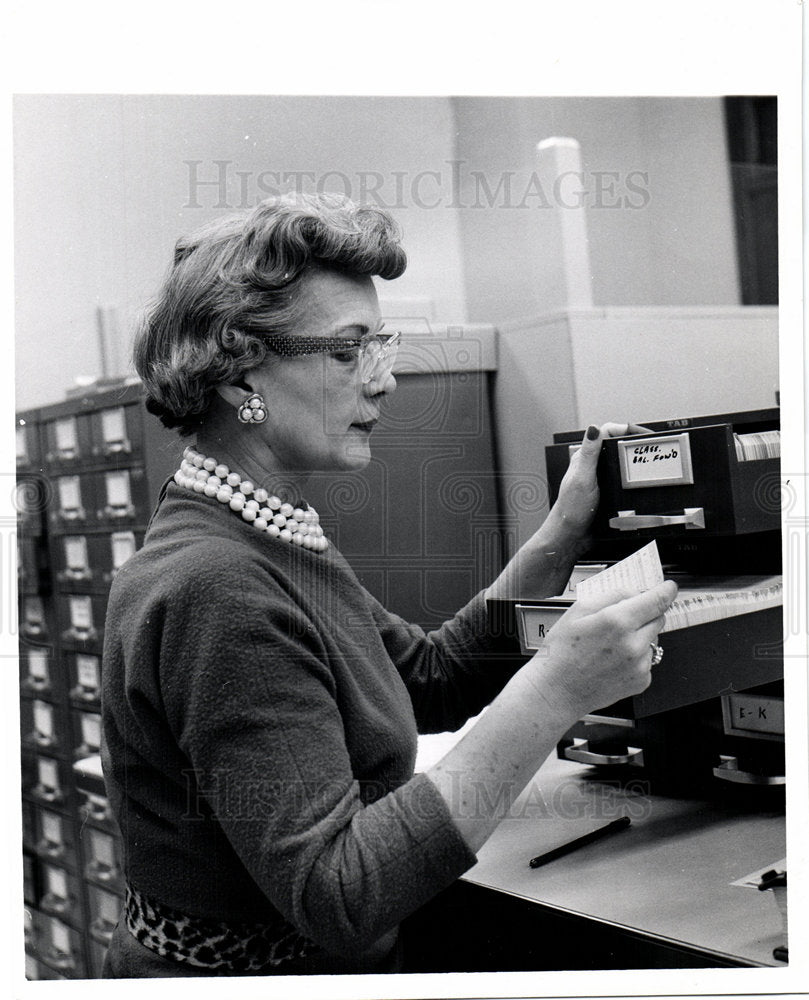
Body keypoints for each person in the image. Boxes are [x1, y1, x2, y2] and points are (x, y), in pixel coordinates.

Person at [100, 192, 677, 977]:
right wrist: (556, 691)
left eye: (379, 345)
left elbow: (425, 677)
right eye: (346, 352)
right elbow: (341, 893)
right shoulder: (220, 587)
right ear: (240, 375)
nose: (383, 381)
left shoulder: (257, 527)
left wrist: (560, 534)